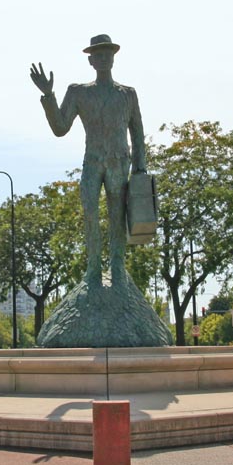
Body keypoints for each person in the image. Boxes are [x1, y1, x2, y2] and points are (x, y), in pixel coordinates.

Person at [30, 34, 147, 287]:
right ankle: (93, 267)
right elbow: (60, 128)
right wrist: (49, 96)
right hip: (92, 163)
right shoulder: (78, 93)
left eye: (108, 54)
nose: (104, 58)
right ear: (91, 61)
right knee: (90, 213)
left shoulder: (128, 94)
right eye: (98, 55)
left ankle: (117, 266)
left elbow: (137, 133)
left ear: (113, 59)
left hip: (119, 163)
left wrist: (140, 169)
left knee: (117, 215)